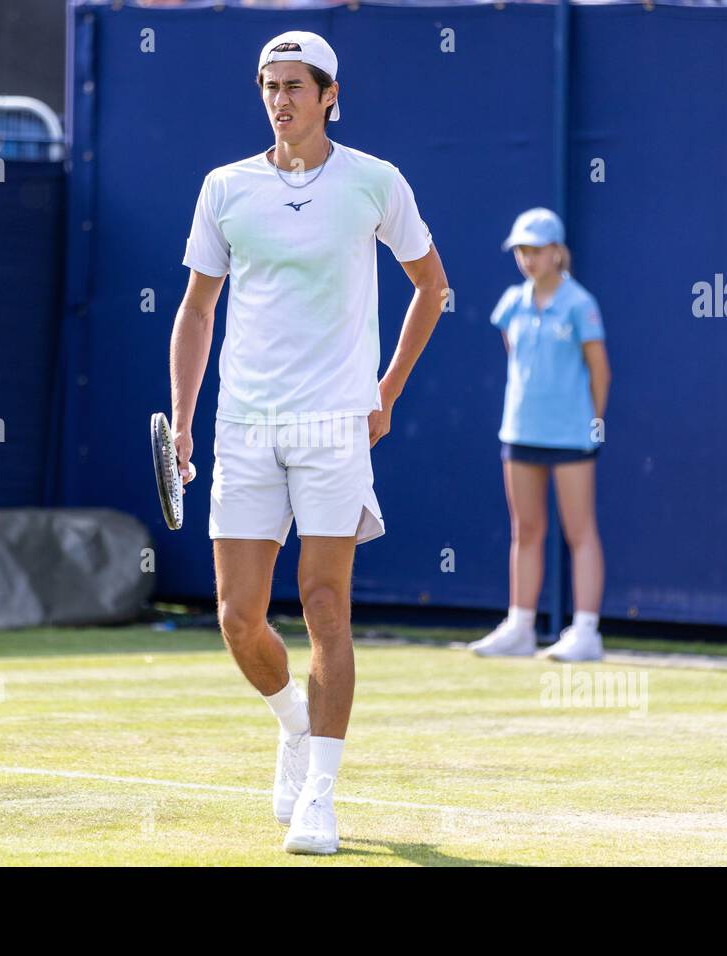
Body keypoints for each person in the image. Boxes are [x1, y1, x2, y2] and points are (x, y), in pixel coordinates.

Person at [169, 31, 448, 854]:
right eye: (268, 86)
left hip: (333, 426)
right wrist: (183, 418)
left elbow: (431, 286)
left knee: (325, 604)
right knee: (237, 617)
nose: (280, 99)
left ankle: (321, 795)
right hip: (244, 424)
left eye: (295, 85)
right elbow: (196, 310)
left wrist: (386, 391)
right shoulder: (225, 188)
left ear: (330, 94)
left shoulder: (374, 182)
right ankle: (293, 725)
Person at [468, 208, 611, 662]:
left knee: (579, 530)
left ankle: (586, 631)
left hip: (571, 435)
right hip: (521, 430)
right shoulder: (512, 302)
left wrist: (592, 422)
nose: (527, 259)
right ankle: (521, 626)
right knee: (525, 530)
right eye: (521, 251)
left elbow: (599, 371)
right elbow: (516, 357)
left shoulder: (581, 304)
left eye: (535, 250)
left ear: (556, 253)